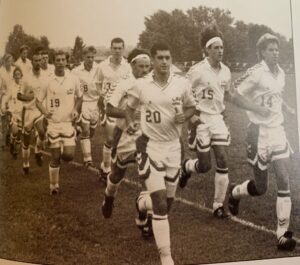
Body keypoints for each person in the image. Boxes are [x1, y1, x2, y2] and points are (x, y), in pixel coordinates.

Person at [125, 42, 196, 265]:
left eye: (167, 58)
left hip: (174, 147)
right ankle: (166, 258)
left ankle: (141, 204)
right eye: (160, 58)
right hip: (150, 146)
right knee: (161, 204)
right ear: (153, 61)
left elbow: (192, 106)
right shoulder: (141, 85)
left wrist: (185, 115)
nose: (164, 62)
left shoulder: (182, 83)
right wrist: (129, 123)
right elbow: (129, 108)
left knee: (166, 202)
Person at [228, 33, 297, 251]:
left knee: (284, 178)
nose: (275, 53)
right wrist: (257, 109)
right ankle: (234, 192)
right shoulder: (256, 73)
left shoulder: (282, 73)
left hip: (277, 131)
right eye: (270, 50)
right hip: (258, 133)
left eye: (277, 49)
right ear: (261, 52)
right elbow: (233, 94)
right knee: (261, 187)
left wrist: (287, 108)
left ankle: (282, 235)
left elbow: (276, 95)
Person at [179, 24, 232, 218]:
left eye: (221, 47)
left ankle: (218, 205)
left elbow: (227, 94)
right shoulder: (197, 70)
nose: (220, 51)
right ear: (207, 50)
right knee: (204, 166)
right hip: (201, 119)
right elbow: (182, 92)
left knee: (223, 158)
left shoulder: (226, 71)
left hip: (217, 119)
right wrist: (191, 116)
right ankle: (186, 167)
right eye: (216, 47)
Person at [101, 48, 151, 221]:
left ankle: (143, 216)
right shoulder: (123, 83)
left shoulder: (152, 83)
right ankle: (109, 196)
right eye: (141, 67)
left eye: (147, 67)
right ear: (132, 65)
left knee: (148, 176)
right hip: (124, 135)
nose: (145, 70)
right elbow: (108, 109)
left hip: (147, 136)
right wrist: (128, 114)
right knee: (117, 175)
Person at [36, 50, 82, 195]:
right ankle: (53, 186)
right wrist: (44, 112)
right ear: (53, 62)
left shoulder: (73, 79)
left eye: (63, 60)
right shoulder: (47, 80)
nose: (61, 62)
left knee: (69, 156)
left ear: (66, 62)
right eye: (57, 60)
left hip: (68, 123)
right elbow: (38, 101)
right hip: (53, 124)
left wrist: (75, 109)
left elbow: (80, 97)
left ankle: (73, 136)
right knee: (55, 157)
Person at [96, 37, 131, 183]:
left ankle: (107, 164)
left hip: (122, 107)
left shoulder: (128, 66)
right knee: (110, 139)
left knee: (117, 141)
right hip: (108, 106)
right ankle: (105, 169)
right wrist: (102, 94)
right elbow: (98, 84)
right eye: (114, 48)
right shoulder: (102, 66)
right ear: (110, 49)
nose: (117, 51)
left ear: (123, 49)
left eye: (119, 48)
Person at [18, 49, 48, 174]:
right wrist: (27, 97)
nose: (37, 62)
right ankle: (25, 164)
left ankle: (38, 150)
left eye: (39, 60)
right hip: (28, 111)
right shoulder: (26, 78)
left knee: (42, 131)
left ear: (42, 61)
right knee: (26, 140)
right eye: (35, 60)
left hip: (39, 110)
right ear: (32, 62)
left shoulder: (45, 77)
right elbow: (19, 95)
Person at [72, 46, 100, 168]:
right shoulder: (76, 71)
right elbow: (73, 88)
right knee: (86, 130)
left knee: (92, 131)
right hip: (83, 102)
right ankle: (87, 159)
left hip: (96, 102)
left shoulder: (99, 69)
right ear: (83, 57)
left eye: (92, 57)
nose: (90, 59)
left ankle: (78, 133)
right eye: (88, 57)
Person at [1, 67, 23, 158]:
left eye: (19, 74)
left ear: (21, 75)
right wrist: (3, 107)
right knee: (15, 131)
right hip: (12, 112)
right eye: (16, 74)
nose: (17, 76)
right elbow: (6, 98)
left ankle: (15, 150)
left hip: (22, 113)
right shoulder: (11, 87)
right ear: (13, 76)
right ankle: (11, 141)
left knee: (19, 135)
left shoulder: (24, 86)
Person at [0, 54, 15, 148]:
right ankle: (3, 138)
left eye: (10, 61)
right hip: (4, 95)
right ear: (4, 62)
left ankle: (9, 135)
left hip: (13, 96)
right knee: (4, 117)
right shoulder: (1, 71)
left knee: (12, 117)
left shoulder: (14, 70)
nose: (9, 63)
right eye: (7, 61)